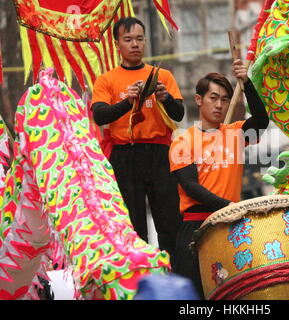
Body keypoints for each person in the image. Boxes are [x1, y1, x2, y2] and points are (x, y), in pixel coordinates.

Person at [168, 60, 269, 298]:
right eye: (213, 98)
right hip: (196, 226)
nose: (219, 104)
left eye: (225, 99)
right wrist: (227, 207)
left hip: (230, 225)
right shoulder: (183, 140)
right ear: (199, 100)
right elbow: (190, 186)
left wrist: (246, 83)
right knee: (192, 296)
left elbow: (262, 120)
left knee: (233, 293)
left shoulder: (235, 133)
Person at [91, 17, 183, 260]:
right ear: (117, 44)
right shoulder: (107, 80)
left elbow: (179, 114)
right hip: (124, 155)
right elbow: (99, 116)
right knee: (132, 222)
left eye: (139, 39)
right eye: (128, 39)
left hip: (159, 154)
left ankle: (175, 274)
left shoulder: (162, 75)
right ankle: (138, 277)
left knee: (169, 218)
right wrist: (127, 101)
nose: (135, 44)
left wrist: (165, 98)